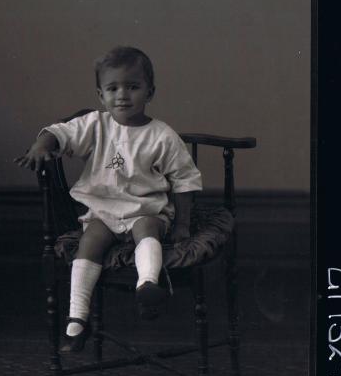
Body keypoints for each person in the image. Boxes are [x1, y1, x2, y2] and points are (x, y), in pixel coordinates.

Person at [15, 46, 202, 352]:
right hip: (103, 211)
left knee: (147, 229)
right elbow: (60, 134)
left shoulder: (162, 135)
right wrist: (41, 145)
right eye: (113, 88)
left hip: (145, 209)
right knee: (91, 241)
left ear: (150, 92)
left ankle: (148, 286)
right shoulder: (96, 125)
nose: (122, 96)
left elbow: (185, 179)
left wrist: (182, 225)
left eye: (133, 87)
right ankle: (77, 320)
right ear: (100, 96)